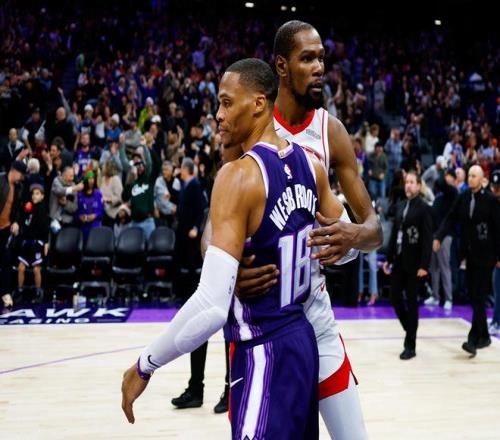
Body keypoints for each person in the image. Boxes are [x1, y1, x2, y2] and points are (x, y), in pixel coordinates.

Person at [121, 58, 346, 438]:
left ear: (258, 103)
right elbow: (348, 241)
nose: (218, 114)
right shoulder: (310, 166)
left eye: (226, 102)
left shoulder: (239, 175)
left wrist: (145, 365)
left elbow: (211, 306)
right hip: (302, 343)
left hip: (263, 350)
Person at [434, 165, 500, 356]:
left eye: (474, 176)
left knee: (479, 296)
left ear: (481, 179)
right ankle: (484, 336)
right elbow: (450, 218)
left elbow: (498, 229)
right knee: (474, 296)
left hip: (487, 256)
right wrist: (439, 236)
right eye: (469, 175)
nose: (470, 178)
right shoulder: (462, 198)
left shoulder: (490, 200)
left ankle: (473, 339)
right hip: (468, 256)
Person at [383, 171, 433, 360]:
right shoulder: (401, 206)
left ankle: (410, 345)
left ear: (419, 186)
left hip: (415, 263)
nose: (408, 185)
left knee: (412, 303)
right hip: (398, 260)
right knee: (394, 298)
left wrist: (424, 265)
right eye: (406, 182)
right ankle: (410, 329)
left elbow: (427, 239)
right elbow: (394, 235)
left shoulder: (424, 208)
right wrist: (388, 259)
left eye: (412, 182)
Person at [425, 170, 458, 309]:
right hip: (434, 236)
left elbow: (441, 183)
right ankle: (435, 296)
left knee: (444, 267)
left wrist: (442, 170)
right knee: (433, 267)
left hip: (446, 236)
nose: (446, 182)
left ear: (454, 181)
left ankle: (448, 298)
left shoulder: (454, 194)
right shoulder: (438, 198)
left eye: (449, 180)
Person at [0, 161, 26, 310]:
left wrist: (16, 221)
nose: (21, 178)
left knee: (6, 261)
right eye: (21, 175)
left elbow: (17, 209)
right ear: (14, 171)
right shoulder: (0, 181)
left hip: (6, 229)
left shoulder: (19, 188)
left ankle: (6, 293)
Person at [17, 183, 50, 299]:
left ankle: (38, 292)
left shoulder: (43, 210)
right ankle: (20, 291)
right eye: (33, 194)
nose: (34, 196)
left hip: (37, 244)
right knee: (21, 267)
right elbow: (24, 224)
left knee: (36, 269)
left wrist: (46, 243)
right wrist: (25, 211)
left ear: (42, 196)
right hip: (27, 243)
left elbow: (46, 229)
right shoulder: (28, 208)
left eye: (37, 194)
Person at [76, 168, 104, 241]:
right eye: (89, 178)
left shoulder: (98, 194)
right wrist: (79, 217)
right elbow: (76, 211)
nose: (91, 181)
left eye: (93, 178)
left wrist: (95, 215)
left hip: (95, 227)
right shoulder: (79, 195)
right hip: (83, 228)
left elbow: (101, 211)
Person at [488, 170, 500, 335]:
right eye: (494, 186)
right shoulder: (492, 204)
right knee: (496, 288)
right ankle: (496, 320)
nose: (496, 190)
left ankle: (496, 322)